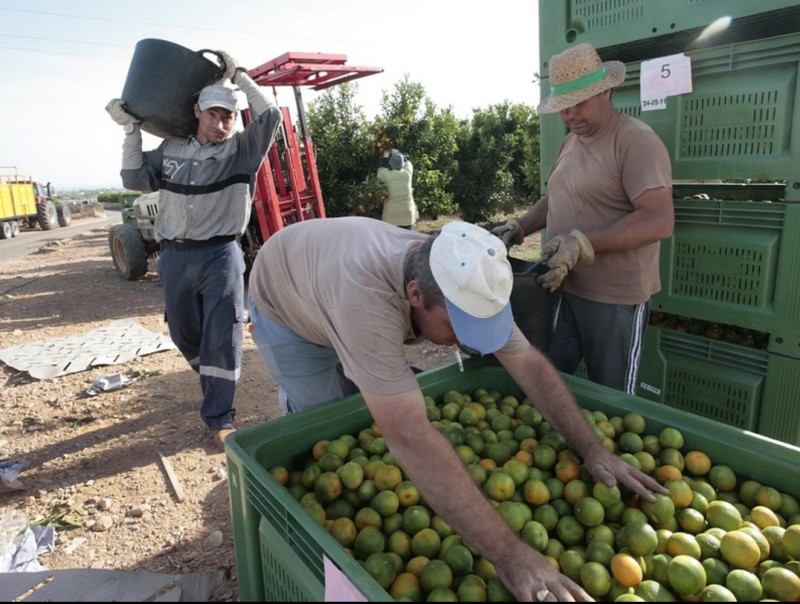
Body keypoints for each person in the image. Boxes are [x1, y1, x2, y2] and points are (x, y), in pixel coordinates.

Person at [247, 216, 668, 602]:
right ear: (415, 294)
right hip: (285, 300)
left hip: (334, 281)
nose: (464, 344)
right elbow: (409, 434)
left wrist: (591, 448)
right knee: (325, 421)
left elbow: (530, 366)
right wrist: (509, 554)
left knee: (371, 390)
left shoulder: (463, 275)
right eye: (457, 329)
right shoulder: (366, 300)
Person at [105, 51, 282, 450]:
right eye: (214, 115)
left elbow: (270, 118)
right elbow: (133, 177)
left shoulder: (242, 152)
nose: (221, 124)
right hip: (176, 257)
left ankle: (220, 415)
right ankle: (211, 379)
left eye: (228, 117)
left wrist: (240, 76)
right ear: (197, 112)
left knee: (223, 336)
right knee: (184, 333)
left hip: (220, 256)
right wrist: (131, 132)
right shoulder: (170, 149)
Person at [493, 42, 674, 394]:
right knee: (551, 382)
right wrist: (519, 227)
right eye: (563, 107)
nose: (571, 114)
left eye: (580, 103)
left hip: (615, 299)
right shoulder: (572, 141)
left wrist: (584, 243)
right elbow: (556, 197)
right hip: (563, 286)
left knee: (612, 396)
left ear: (606, 91)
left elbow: (658, 220)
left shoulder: (635, 141)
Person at [376, 148, 418, 229]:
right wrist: (398, 153)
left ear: (390, 163)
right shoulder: (407, 173)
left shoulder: (386, 175)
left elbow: (381, 169)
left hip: (391, 213)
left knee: (390, 239)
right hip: (407, 212)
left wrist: (385, 156)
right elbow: (408, 162)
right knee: (407, 238)